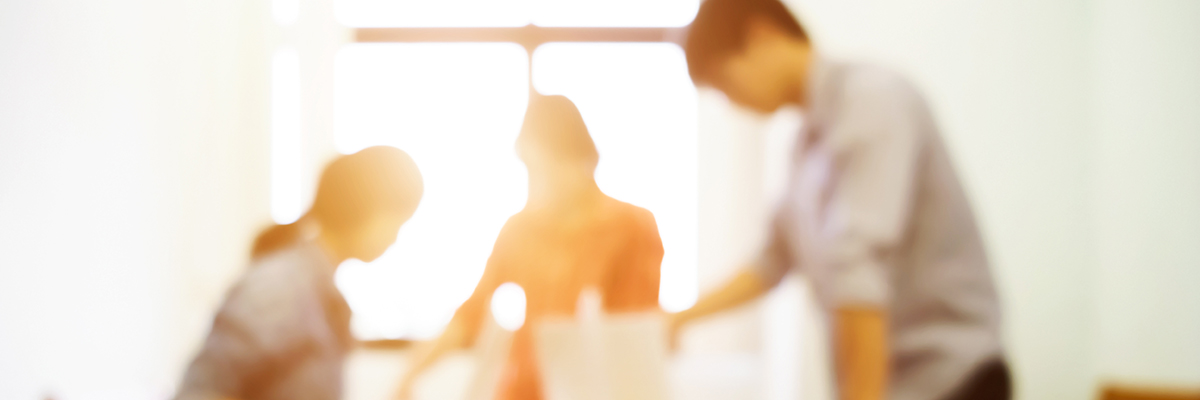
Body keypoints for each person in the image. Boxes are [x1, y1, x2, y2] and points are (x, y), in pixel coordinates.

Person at [668, 1, 1010, 400]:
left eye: (725, 81)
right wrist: (680, 318)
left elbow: (856, 264)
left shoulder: (874, 101)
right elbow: (773, 259)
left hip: (953, 382)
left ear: (762, 36)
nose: (733, 102)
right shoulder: (806, 145)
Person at [394, 95, 664, 400]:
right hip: (524, 390)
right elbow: (471, 313)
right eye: (531, 168)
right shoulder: (520, 228)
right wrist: (411, 373)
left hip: (595, 390)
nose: (541, 180)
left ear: (581, 157)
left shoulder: (631, 227)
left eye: (549, 166)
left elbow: (634, 331)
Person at [175, 146, 424, 400]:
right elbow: (202, 392)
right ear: (362, 208)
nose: (395, 238)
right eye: (397, 221)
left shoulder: (324, 296)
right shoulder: (279, 288)